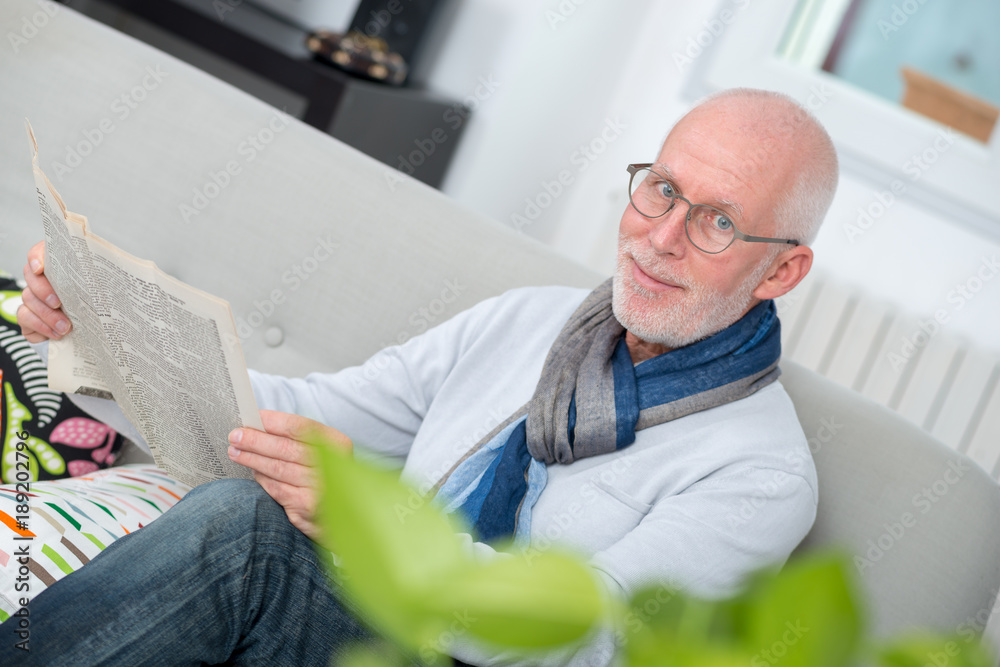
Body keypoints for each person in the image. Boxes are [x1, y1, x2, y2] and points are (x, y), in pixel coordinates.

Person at [4, 87, 838, 666]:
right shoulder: (530, 319)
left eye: (718, 221)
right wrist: (105, 342)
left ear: (781, 272)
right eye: (661, 189)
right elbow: (300, 416)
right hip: (362, 632)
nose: (660, 238)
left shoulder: (761, 472)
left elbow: (580, 636)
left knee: (249, 531)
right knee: (247, 510)